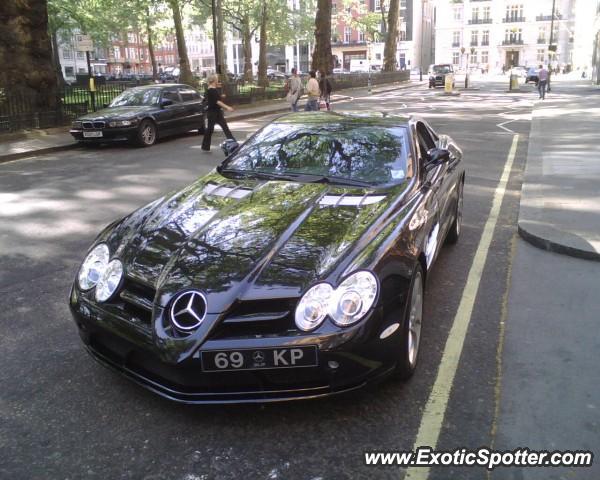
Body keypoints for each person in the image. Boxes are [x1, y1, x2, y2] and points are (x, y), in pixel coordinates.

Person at [201, 74, 236, 152]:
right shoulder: (211, 90)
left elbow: (214, 99)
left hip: (216, 112)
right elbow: (217, 102)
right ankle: (205, 146)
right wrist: (227, 107)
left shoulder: (210, 89)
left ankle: (234, 144)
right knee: (211, 129)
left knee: (224, 128)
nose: (218, 80)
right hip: (213, 113)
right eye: (217, 79)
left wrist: (221, 96)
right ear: (214, 80)